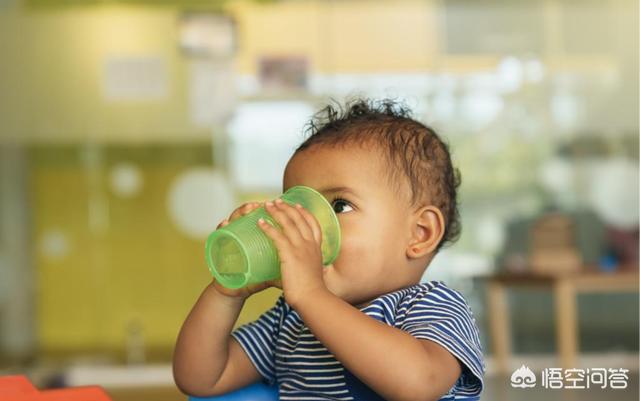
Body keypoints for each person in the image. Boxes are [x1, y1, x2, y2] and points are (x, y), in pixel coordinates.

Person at [173, 98, 485, 401]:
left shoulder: (431, 306)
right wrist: (227, 291)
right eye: (299, 207)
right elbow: (201, 379)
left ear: (420, 233)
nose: (310, 227)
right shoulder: (291, 321)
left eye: (339, 205)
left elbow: (419, 384)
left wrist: (311, 295)